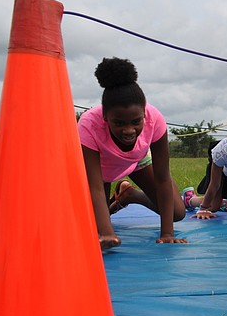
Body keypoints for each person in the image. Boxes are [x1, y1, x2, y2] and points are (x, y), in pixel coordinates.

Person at [78, 57, 187, 250]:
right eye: (119, 123)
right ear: (105, 117)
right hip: (101, 172)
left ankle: (130, 195)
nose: (128, 130)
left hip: (136, 161)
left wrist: (167, 233)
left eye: (136, 122)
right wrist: (106, 233)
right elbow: (94, 185)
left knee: (177, 213)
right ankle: (105, 222)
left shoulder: (155, 119)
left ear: (144, 114)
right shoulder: (88, 124)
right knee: (94, 227)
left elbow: (163, 178)